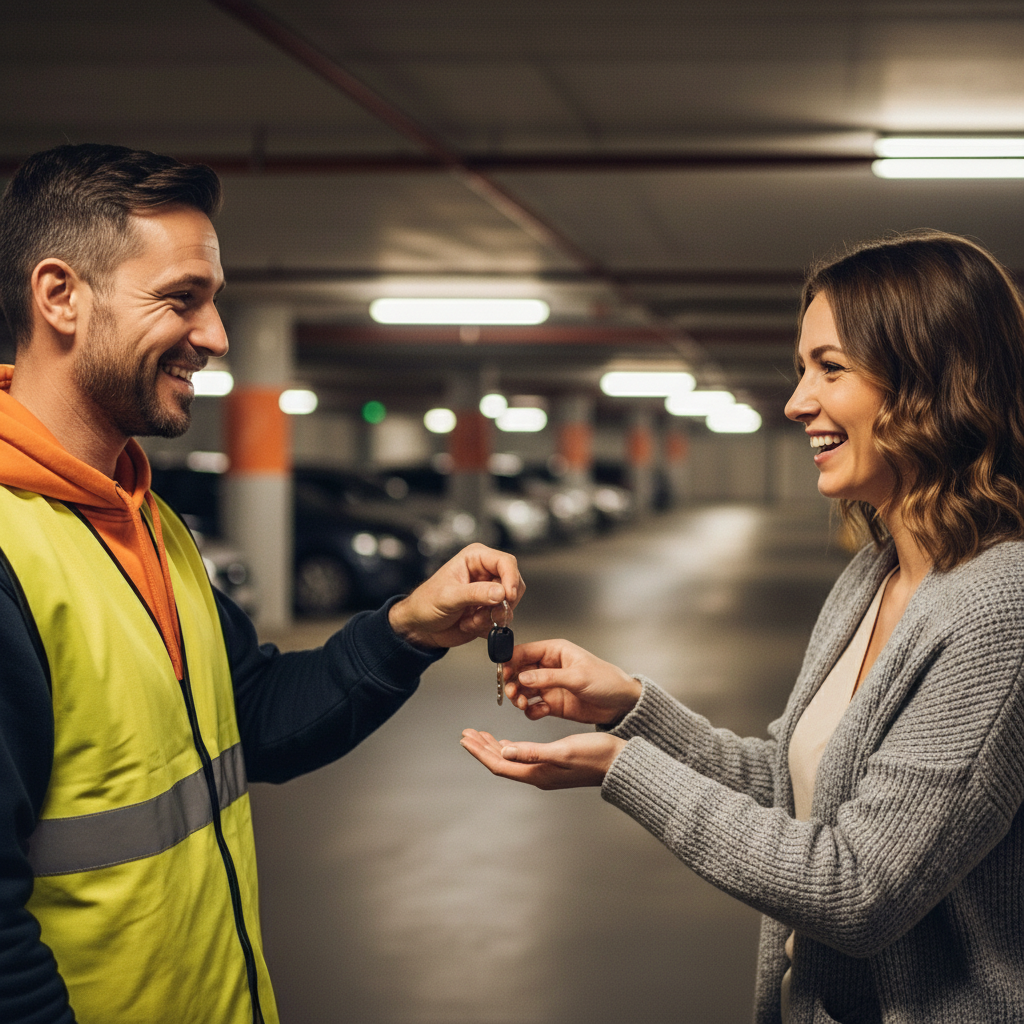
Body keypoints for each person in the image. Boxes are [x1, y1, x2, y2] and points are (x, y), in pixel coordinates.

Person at [0, 143, 524, 1024]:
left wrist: (409, 627)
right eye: (181, 299)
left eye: (214, 301)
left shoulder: (146, 521)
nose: (215, 337)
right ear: (60, 297)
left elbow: (253, 717)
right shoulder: (14, 554)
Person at [462, 230, 1024, 1023]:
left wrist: (626, 769)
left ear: (930, 381)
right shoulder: (874, 576)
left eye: (830, 368)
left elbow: (857, 887)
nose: (797, 401)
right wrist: (630, 707)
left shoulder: (1001, 610)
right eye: (802, 370)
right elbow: (791, 791)